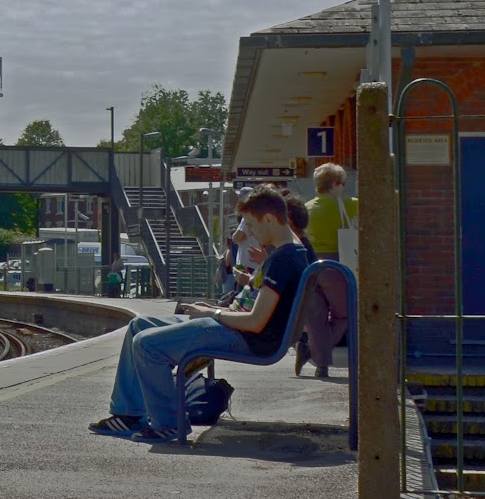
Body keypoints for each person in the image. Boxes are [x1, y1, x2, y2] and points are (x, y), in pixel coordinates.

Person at [88, 186, 310, 443]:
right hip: (237, 328)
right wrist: (219, 310)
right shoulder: (291, 252)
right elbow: (254, 311)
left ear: (269, 218)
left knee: (146, 344)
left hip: (247, 337)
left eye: (251, 224)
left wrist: (212, 313)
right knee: (139, 325)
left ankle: (169, 423)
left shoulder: (283, 260)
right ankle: (127, 414)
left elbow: (255, 322)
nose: (249, 231)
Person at [296, 164, 355, 377]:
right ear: (335, 185)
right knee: (346, 313)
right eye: (343, 184)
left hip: (308, 266)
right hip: (335, 264)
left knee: (316, 317)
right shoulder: (349, 205)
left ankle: (321, 364)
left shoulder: (306, 208)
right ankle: (312, 353)